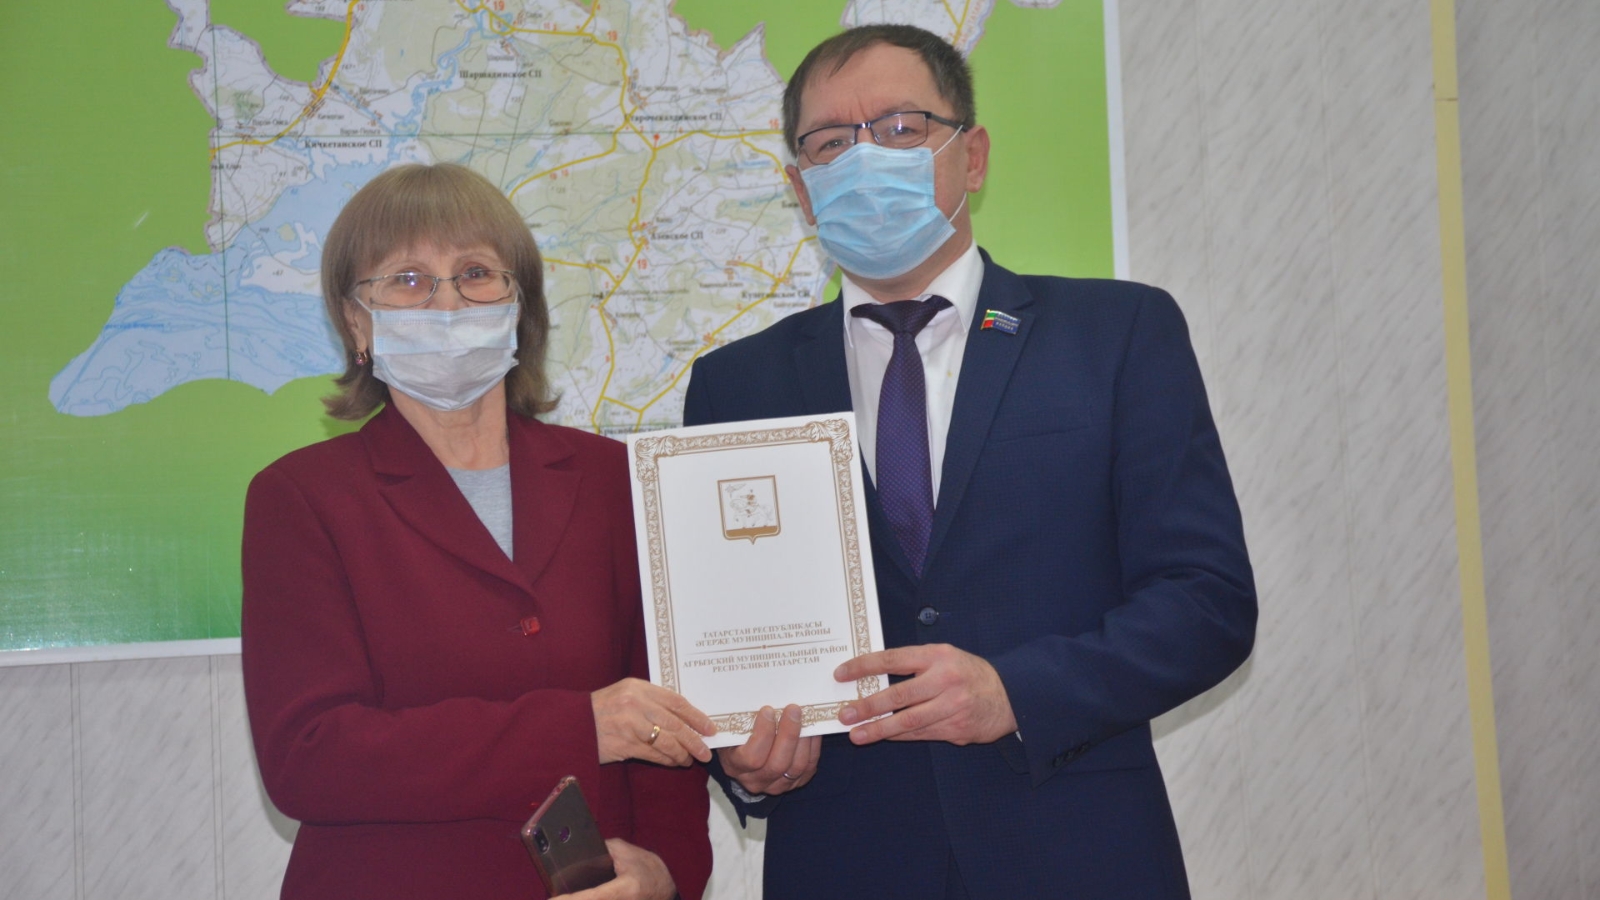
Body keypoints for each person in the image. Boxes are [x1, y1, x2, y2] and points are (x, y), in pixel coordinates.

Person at [682, 24, 1257, 900]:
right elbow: (728, 641)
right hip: (844, 860)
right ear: (800, 189)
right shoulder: (737, 384)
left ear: (973, 155)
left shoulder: (1116, 335)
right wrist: (748, 762)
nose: (864, 158)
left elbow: (1206, 601)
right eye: (830, 143)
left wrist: (1015, 692)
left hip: (1078, 853)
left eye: (901, 128)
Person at [241, 163, 714, 900]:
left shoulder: (614, 479)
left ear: (519, 306)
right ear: (356, 322)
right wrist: (576, 729)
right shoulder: (301, 498)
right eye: (407, 279)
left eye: (475, 273)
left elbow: (667, 717)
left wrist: (667, 870)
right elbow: (309, 757)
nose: (447, 301)